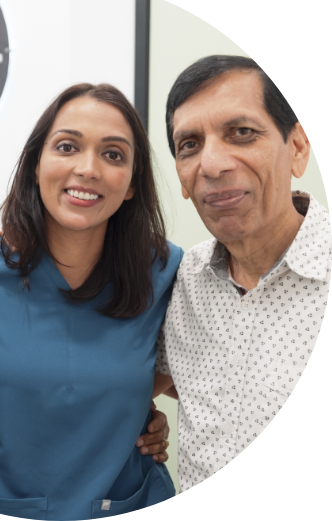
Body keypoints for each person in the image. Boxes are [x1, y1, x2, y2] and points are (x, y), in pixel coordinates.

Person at [0, 83, 184, 519]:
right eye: (67, 146)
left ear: (132, 184)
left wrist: (135, 410)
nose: (88, 168)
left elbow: (196, 371)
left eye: (113, 154)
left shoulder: (164, 269)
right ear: (36, 164)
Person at [136, 55, 330, 491]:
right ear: (183, 182)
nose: (213, 164)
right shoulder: (185, 278)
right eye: (189, 145)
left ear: (298, 148)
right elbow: (151, 378)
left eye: (241, 133)